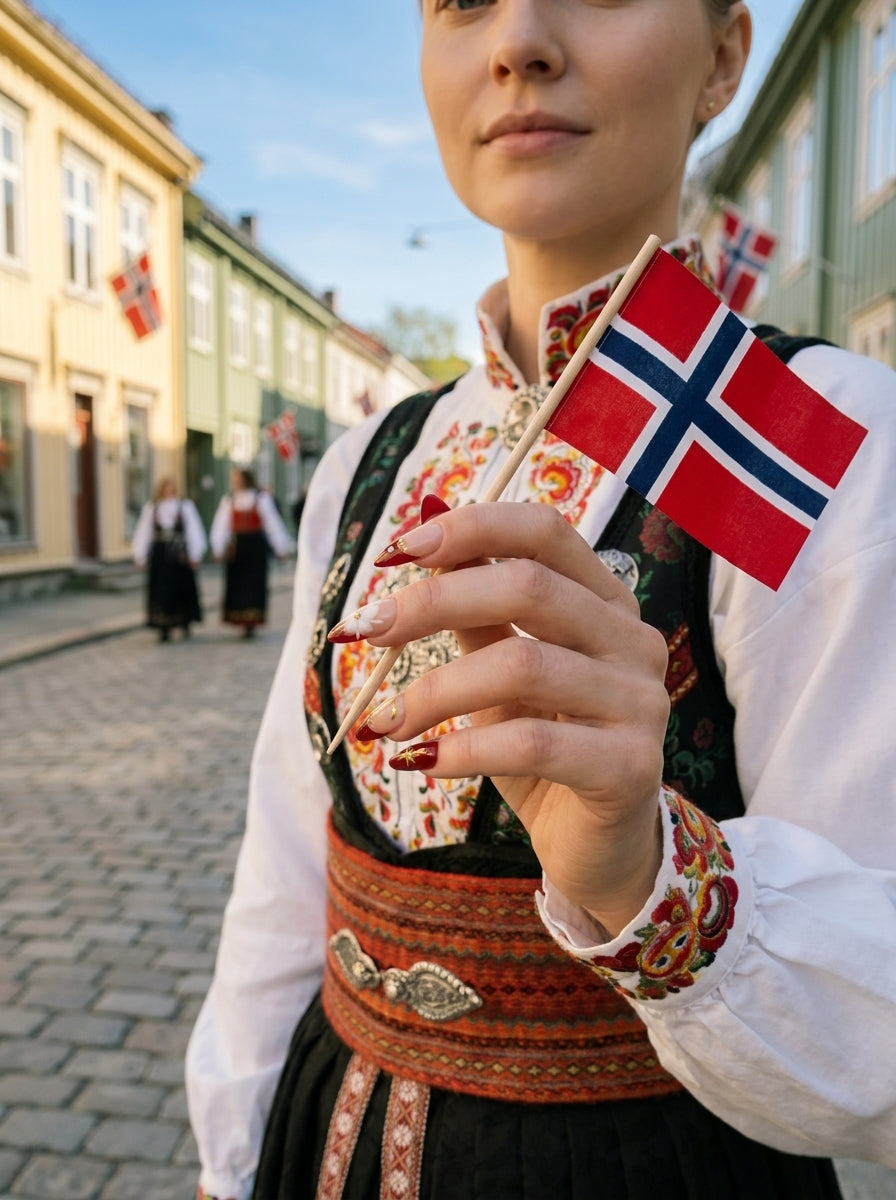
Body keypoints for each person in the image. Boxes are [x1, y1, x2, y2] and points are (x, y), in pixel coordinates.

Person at [186, 2, 896, 1198]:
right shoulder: (368, 459)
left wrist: (648, 879)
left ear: (722, 54)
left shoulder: (815, 444)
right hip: (330, 1135)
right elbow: (282, 874)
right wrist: (229, 1156)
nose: (518, 39)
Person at [209, 467, 293, 638]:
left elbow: (272, 523)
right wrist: (218, 547)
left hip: (255, 547)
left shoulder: (261, 499)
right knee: (238, 584)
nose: (236, 482)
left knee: (254, 583)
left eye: (238, 478)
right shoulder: (229, 500)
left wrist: (280, 547)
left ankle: (252, 620)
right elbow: (221, 525)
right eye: (234, 479)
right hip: (237, 548)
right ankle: (240, 617)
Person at [131, 476, 206, 642]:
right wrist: (140, 555)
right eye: (166, 487)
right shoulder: (153, 508)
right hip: (160, 555)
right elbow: (144, 532)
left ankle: (184, 621)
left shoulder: (185, 507)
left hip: (179, 554)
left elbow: (194, 530)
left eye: (172, 486)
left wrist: (195, 554)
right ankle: (163, 626)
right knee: (161, 590)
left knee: (182, 587)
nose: (169, 490)